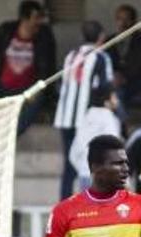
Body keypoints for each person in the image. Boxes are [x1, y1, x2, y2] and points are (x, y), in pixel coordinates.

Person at [54, 20, 114, 199]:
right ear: (101, 37)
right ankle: (86, 206)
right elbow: (105, 88)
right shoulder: (101, 57)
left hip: (65, 118)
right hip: (87, 120)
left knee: (69, 165)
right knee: (87, 164)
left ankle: (63, 205)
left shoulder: (71, 55)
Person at [0, 0, 57, 135]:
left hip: (28, 90)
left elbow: (49, 65)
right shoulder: (6, 31)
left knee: (37, 99)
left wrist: (44, 90)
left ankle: (11, 135)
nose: (39, 21)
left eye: (41, 18)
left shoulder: (44, 35)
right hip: (4, 86)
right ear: (24, 18)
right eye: (36, 18)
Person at [69, 86, 122, 191]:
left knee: (87, 207)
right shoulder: (109, 118)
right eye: (114, 97)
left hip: (84, 174)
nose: (117, 101)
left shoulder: (85, 117)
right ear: (106, 102)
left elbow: (74, 152)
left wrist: (83, 169)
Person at [107, 4, 141, 107]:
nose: (123, 23)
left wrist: (124, 78)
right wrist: (114, 76)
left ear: (134, 21)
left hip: (137, 82)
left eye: (127, 19)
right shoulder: (109, 40)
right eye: (119, 19)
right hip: (115, 83)